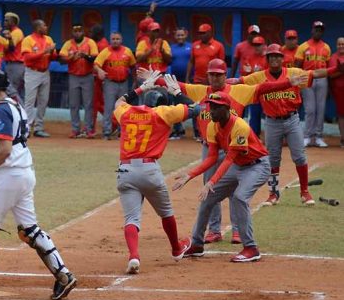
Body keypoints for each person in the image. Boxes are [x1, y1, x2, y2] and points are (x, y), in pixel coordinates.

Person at [138, 58, 305, 244]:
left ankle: (236, 229)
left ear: (225, 75)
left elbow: (263, 88)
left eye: (219, 74)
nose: (215, 78)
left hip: (232, 147)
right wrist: (152, 79)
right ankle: (214, 229)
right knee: (210, 189)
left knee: (234, 189)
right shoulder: (200, 91)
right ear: (208, 75)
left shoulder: (238, 91)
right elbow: (176, 85)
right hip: (209, 147)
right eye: (212, 74)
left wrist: (288, 83)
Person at [0, 67, 76, 300]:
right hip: (23, 173)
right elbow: (1, 142)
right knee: (29, 230)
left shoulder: (0, 111)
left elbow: (4, 150)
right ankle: (63, 275)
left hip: (8, 175)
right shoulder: (13, 105)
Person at [112, 70, 199, 274]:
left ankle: (134, 256)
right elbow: (195, 108)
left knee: (131, 219)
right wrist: (177, 92)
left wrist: (142, 87)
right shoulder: (164, 113)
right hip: (149, 170)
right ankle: (177, 249)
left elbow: (118, 102)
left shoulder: (127, 111)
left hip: (125, 169)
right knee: (166, 213)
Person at [235, 44, 342, 206]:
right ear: (268, 59)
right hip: (271, 122)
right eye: (271, 56)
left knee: (299, 156)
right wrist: (225, 81)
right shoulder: (259, 76)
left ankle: (305, 192)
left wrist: (335, 69)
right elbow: (240, 81)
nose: (275, 59)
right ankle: (273, 194)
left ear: (282, 58)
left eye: (278, 56)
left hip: (292, 120)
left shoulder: (294, 73)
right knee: (273, 159)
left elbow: (317, 73)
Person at [173, 92, 271, 262]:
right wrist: (190, 174)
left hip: (258, 166)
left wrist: (211, 181)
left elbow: (229, 158)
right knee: (208, 198)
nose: (211, 111)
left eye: (216, 107)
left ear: (227, 109)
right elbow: (211, 157)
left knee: (239, 198)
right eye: (211, 106)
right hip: (239, 166)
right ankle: (197, 245)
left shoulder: (240, 126)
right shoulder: (213, 125)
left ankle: (251, 248)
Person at [295, 21, 331, 148]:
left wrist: (329, 86)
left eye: (320, 30)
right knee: (310, 109)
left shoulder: (326, 47)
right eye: (316, 29)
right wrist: (298, 83)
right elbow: (298, 66)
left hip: (322, 79)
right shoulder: (303, 46)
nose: (318, 32)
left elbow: (328, 67)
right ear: (312, 30)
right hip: (307, 77)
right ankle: (308, 136)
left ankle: (319, 136)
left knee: (321, 109)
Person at [94, 32, 137, 140]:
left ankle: (121, 132)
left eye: (117, 39)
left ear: (121, 40)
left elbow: (133, 67)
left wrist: (135, 81)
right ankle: (106, 132)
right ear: (110, 40)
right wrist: (100, 71)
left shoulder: (127, 51)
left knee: (122, 108)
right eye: (113, 39)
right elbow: (96, 64)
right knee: (108, 108)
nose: (115, 41)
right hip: (110, 83)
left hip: (124, 82)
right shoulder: (105, 52)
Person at [186, 23, 225, 141]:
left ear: (210, 33)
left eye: (204, 33)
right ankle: (198, 132)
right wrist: (188, 77)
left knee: (212, 106)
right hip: (198, 80)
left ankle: (214, 130)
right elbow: (191, 62)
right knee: (197, 105)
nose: (201, 35)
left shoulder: (218, 46)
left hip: (212, 82)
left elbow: (222, 64)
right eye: (200, 33)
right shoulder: (195, 45)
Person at [59, 23, 99, 138]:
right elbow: (61, 59)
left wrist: (85, 56)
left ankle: (88, 129)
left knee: (88, 104)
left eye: (80, 31)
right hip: (74, 76)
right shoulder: (68, 43)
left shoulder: (90, 42)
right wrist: (71, 57)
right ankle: (75, 129)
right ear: (72, 32)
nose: (77, 33)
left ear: (83, 32)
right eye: (75, 31)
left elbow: (95, 57)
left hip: (87, 75)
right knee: (74, 104)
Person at [21, 19, 57, 138]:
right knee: (29, 102)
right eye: (44, 25)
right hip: (32, 72)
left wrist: (51, 53)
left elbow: (53, 57)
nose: (46, 27)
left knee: (43, 101)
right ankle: (26, 128)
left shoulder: (49, 39)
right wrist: (44, 52)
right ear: (37, 27)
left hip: (45, 72)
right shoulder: (28, 40)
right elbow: (27, 58)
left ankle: (38, 128)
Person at [168, 27, 192, 139]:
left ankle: (198, 131)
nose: (180, 37)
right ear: (175, 36)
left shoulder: (191, 47)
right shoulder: (171, 48)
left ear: (186, 35)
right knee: (176, 105)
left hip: (188, 80)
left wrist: (189, 78)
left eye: (182, 35)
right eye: (178, 35)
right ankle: (178, 130)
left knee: (192, 103)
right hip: (175, 81)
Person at [242, 35, 268, 137]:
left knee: (270, 114)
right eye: (255, 45)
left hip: (266, 91)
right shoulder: (248, 57)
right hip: (254, 91)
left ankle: (271, 136)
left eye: (259, 45)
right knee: (254, 115)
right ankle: (254, 137)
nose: (256, 47)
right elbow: (246, 73)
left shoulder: (268, 58)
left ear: (264, 45)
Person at [91, 24, 110, 135]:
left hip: (99, 78)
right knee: (99, 103)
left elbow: (100, 63)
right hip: (98, 77)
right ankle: (114, 124)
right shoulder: (100, 42)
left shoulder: (102, 44)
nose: (91, 34)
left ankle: (92, 128)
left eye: (92, 32)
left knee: (97, 104)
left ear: (97, 34)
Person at [3, 12, 25, 103]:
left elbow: (11, 48)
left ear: (13, 22)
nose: (4, 22)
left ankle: (20, 110)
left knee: (11, 90)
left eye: (7, 20)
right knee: (14, 91)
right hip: (13, 64)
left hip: (15, 64)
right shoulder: (11, 32)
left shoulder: (16, 32)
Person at [329, 37, 344, 147]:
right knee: (341, 115)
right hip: (339, 90)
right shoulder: (333, 58)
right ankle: (343, 139)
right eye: (339, 44)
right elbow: (331, 75)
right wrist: (341, 71)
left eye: (343, 44)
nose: (341, 46)